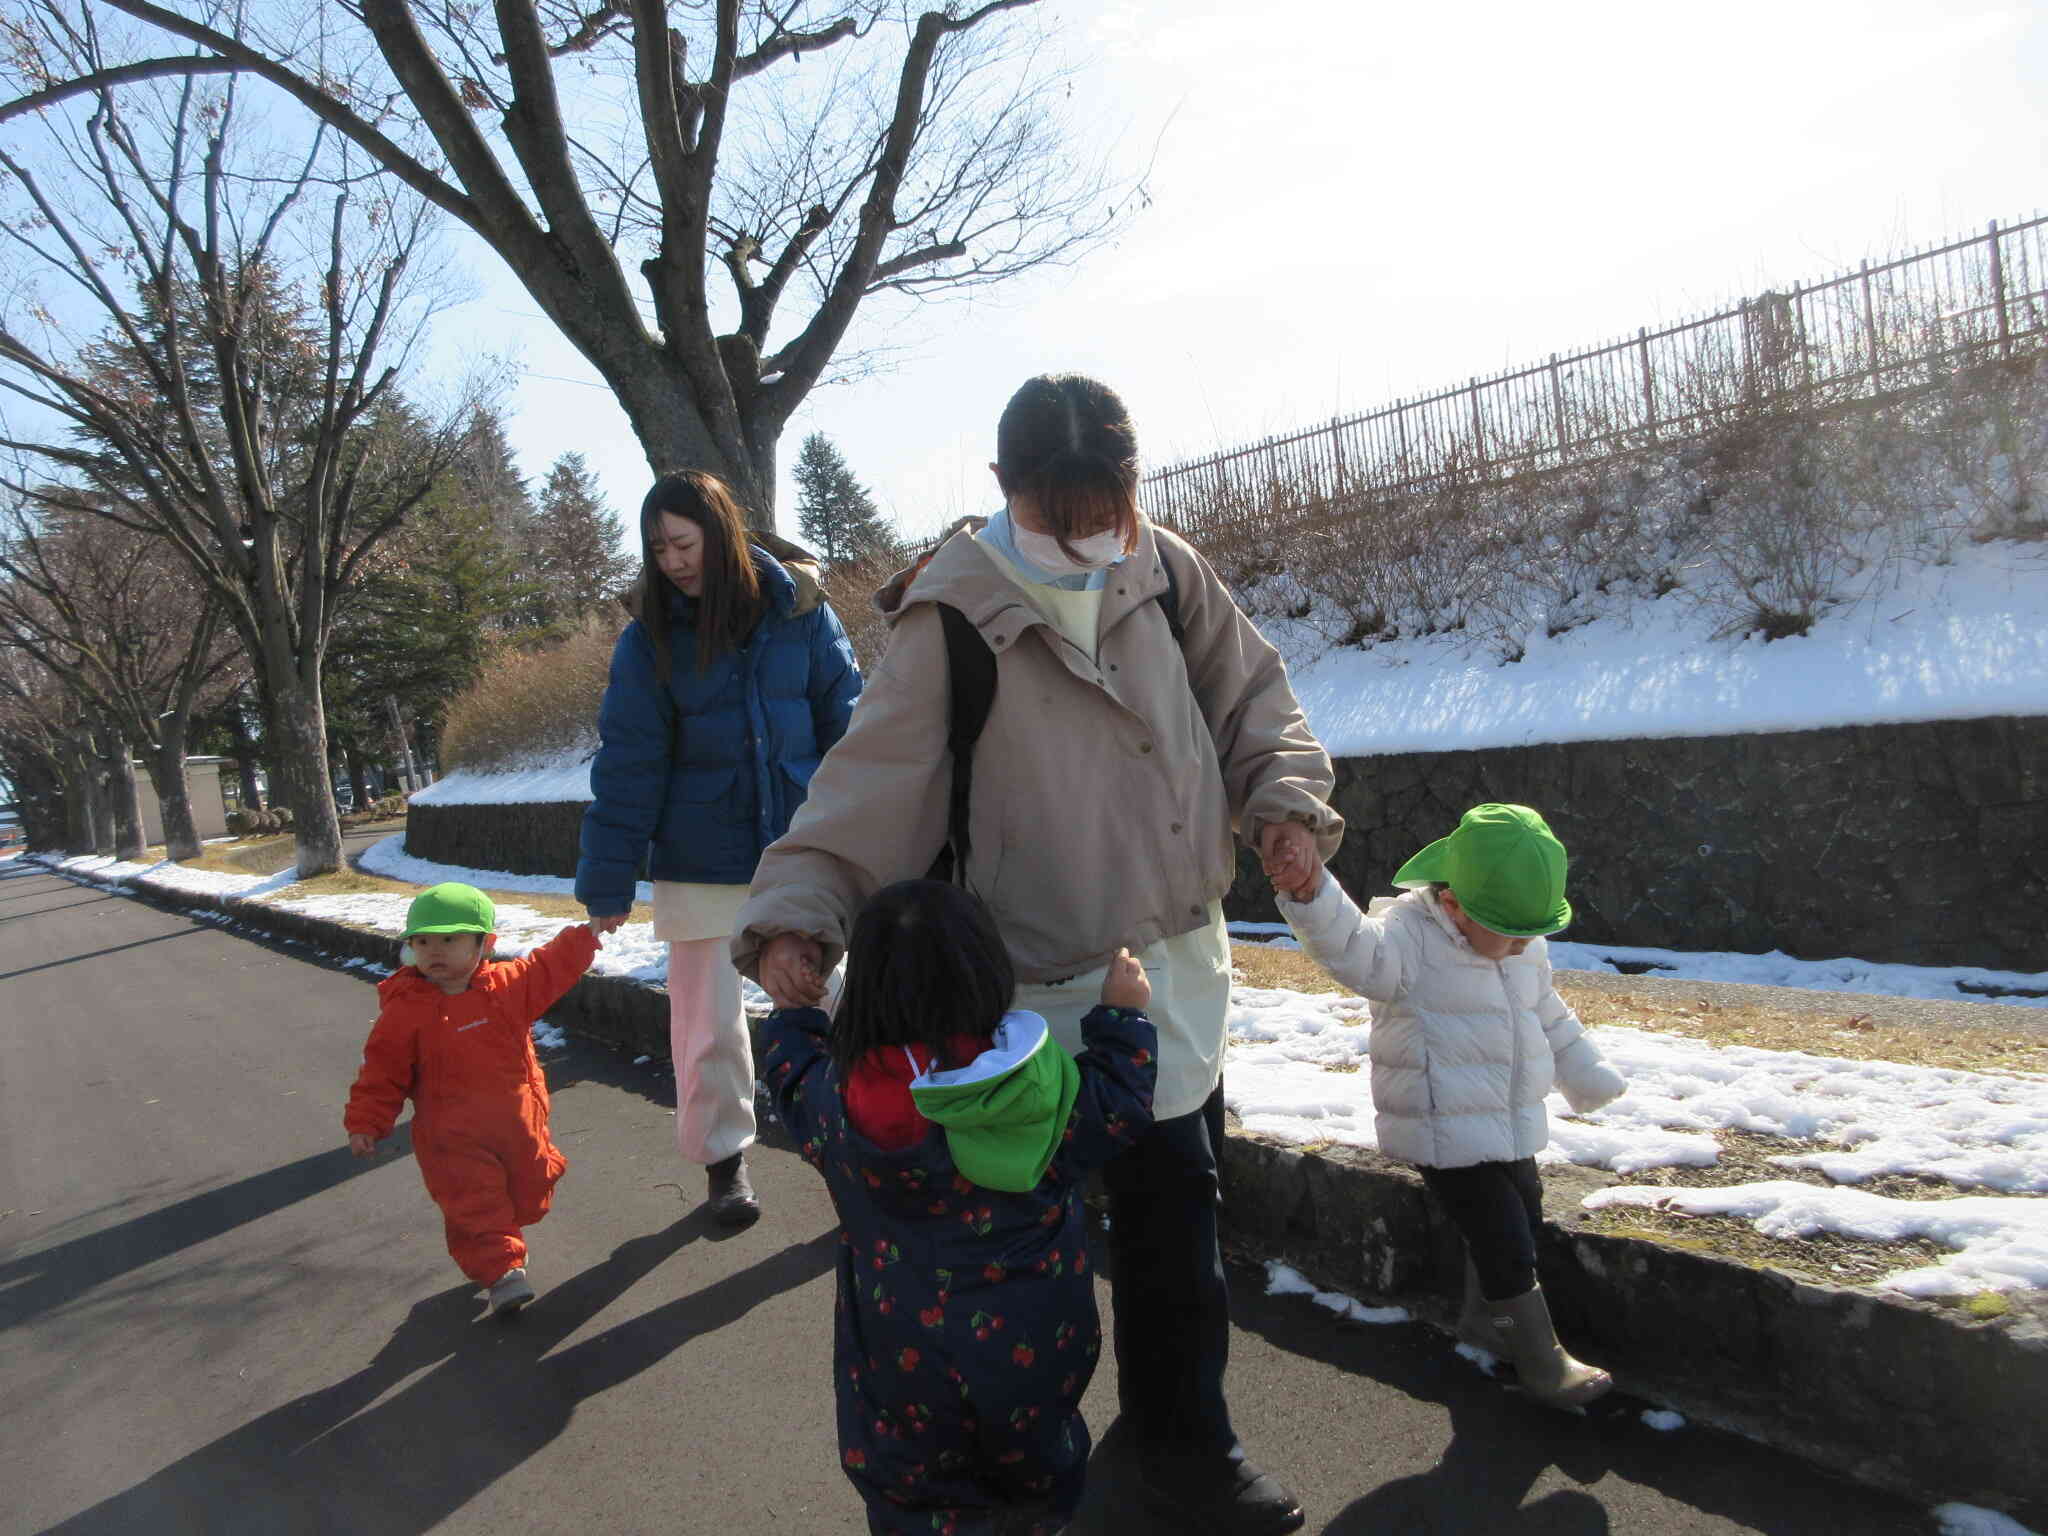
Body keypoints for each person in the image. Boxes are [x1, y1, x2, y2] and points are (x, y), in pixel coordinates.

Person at [735, 373, 1338, 1535]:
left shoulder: (1164, 566)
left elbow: (1255, 703)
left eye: (1101, 500)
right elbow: (864, 793)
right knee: (1017, 1265)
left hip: (1165, 974)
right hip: (1016, 1012)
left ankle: (1182, 1442)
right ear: (1004, 489)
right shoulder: (948, 617)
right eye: (1055, 505)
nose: (1082, 529)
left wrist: (1283, 810)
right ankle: (1009, 1472)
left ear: (1131, 484)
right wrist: (794, 921)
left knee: (1179, 1228)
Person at [760, 879, 1158, 1536]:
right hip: (1032, 1364)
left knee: (912, 1506)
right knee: (1038, 1496)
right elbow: (1117, 1102)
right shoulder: (1034, 1097)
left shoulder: (833, 1101)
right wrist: (1122, 1018)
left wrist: (792, 1009)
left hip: (897, 1378)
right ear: (987, 972)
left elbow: (788, 1070)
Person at [1268, 802, 1627, 1409]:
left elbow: (1549, 1013)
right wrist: (1311, 891)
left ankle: (1486, 1321)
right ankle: (1541, 1360)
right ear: (1455, 904)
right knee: (1501, 1234)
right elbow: (1352, 950)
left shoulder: (1519, 949)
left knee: (1525, 1212)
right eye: (1509, 931)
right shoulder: (1408, 938)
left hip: (1508, 1120)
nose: (1520, 947)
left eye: (1529, 933)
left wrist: (1585, 1073)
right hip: (1442, 1126)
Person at [577, 470, 861, 1228]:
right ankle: (723, 1163)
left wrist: (862, 827)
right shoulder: (649, 641)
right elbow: (629, 760)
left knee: (837, 998)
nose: (671, 560)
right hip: (697, 854)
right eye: (657, 547)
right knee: (706, 1023)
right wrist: (607, 882)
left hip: (799, 848)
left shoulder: (802, 612)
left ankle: (866, 1147)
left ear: (722, 533)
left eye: (683, 542)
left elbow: (850, 722)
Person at [344, 882, 601, 1315]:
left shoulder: (506, 988)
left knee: (530, 1190)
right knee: (474, 1201)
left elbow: (549, 967)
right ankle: (502, 1272)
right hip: (451, 1137)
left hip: (518, 1123)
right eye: (422, 942)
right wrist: (366, 1122)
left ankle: (504, 1238)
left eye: (449, 939)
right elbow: (381, 1072)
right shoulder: (405, 1010)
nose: (434, 951)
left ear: (485, 944)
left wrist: (587, 935)